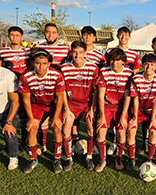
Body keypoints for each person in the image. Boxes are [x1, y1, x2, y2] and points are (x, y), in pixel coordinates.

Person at [19, 48, 66, 174]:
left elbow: (60, 97)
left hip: (52, 105)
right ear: (33, 63)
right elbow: (26, 100)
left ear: (49, 64)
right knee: (32, 128)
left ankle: (57, 160)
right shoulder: (26, 77)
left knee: (56, 128)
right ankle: (33, 159)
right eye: (38, 63)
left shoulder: (57, 75)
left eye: (44, 63)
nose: (41, 66)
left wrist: (56, 117)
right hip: (36, 105)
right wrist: (30, 119)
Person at [122, 54, 156, 171]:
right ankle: (132, 159)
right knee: (131, 131)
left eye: (152, 64)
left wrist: (153, 119)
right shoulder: (136, 79)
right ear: (142, 65)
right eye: (146, 64)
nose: (149, 67)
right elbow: (135, 99)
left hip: (151, 111)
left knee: (153, 131)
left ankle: (149, 159)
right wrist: (135, 117)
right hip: (137, 110)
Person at [61, 41, 99, 171]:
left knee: (90, 129)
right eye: (75, 52)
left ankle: (89, 157)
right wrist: (66, 109)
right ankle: (68, 158)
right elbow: (63, 91)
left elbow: (95, 90)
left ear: (85, 53)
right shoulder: (65, 68)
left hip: (86, 104)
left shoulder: (93, 67)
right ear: (71, 52)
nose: (77, 55)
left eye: (81, 52)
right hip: (71, 104)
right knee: (66, 129)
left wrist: (92, 109)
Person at [96, 48, 134, 171]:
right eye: (112, 59)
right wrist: (101, 115)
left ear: (123, 61)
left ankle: (118, 157)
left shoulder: (129, 73)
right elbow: (101, 95)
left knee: (121, 132)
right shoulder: (104, 71)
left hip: (121, 106)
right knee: (101, 130)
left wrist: (123, 116)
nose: (115, 63)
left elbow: (128, 96)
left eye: (118, 60)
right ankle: (103, 160)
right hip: (107, 105)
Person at [105, 26, 141, 154]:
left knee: (124, 120)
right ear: (117, 36)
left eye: (126, 35)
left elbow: (135, 75)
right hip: (112, 92)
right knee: (112, 122)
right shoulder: (109, 51)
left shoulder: (134, 54)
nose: (123, 37)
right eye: (121, 34)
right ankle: (113, 144)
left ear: (129, 37)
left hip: (126, 92)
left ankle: (122, 145)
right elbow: (107, 68)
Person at [35, 23, 70, 153]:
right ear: (44, 33)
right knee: (42, 119)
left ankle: (62, 147)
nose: (51, 35)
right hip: (41, 87)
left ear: (57, 34)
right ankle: (42, 144)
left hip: (59, 88)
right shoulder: (38, 48)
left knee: (57, 119)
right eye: (48, 32)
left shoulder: (65, 49)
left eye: (53, 32)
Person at [0, 26, 31, 151]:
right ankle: (8, 145)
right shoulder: (3, 52)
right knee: (8, 117)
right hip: (9, 88)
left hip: (24, 88)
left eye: (17, 35)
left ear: (21, 37)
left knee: (24, 117)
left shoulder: (28, 51)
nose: (15, 37)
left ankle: (23, 143)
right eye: (12, 35)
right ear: (8, 37)